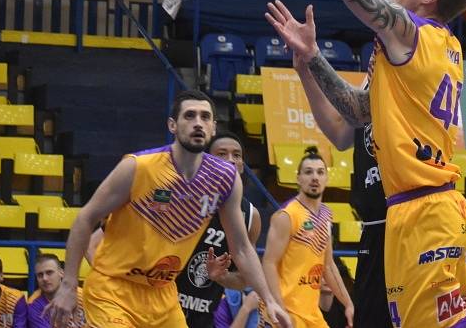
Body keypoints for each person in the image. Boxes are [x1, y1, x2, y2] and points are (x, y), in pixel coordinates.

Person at [268, 0, 466, 327]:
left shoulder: (412, 36)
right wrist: (311, 59)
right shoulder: (430, 46)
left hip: (428, 217)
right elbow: (357, 111)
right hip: (414, 214)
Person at [45, 89, 291, 328]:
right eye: (189, 115)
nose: (198, 123)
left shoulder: (225, 178)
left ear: (213, 128)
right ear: (172, 125)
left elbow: (241, 248)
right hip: (114, 288)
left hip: (162, 294)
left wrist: (269, 300)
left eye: (205, 117)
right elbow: (85, 219)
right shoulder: (138, 167)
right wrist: (67, 286)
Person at [177, 130, 262, 327]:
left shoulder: (251, 215)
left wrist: (222, 276)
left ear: (242, 166)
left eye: (237, 155)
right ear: (205, 162)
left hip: (204, 317)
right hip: (162, 307)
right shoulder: (184, 198)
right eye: (222, 154)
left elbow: (243, 280)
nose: (231, 160)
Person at [262, 147, 354, 328]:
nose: (314, 177)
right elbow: (269, 263)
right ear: (299, 178)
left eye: (320, 172)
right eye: (308, 172)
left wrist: (348, 303)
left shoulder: (326, 215)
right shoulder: (287, 215)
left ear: (326, 179)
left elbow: (328, 265)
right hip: (287, 312)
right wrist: (279, 309)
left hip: (312, 314)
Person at [27, 254, 88, 328]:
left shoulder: (84, 296)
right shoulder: (33, 305)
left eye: (49, 273)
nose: (45, 278)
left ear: (61, 273)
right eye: (40, 275)